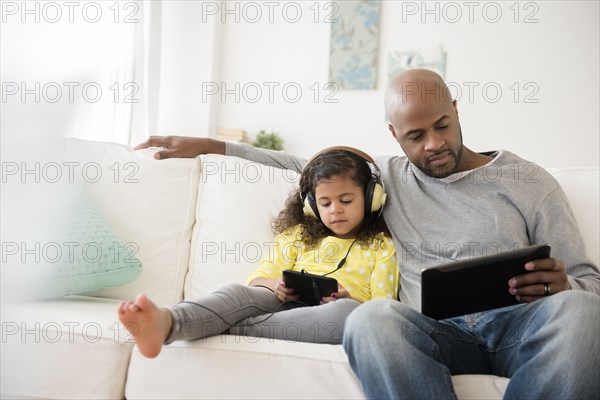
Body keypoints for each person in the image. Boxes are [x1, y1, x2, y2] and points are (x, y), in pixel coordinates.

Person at [135, 69, 599, 399]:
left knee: (581, 311)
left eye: (442, 125)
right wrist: (210, 146)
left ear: (456, 110)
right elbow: (307, 168)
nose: (434, 144)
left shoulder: (529, 182)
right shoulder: (387, 179)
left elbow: (589, 284)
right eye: (415, 136)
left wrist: (566, 284)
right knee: (372, 318)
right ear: (394, 135)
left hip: (517, 329)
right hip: (438, 333)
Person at [118, 147, 398, 358]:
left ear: (371, 198)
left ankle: (217, 326)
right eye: (325, 203)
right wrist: (274, 285)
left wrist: (350, 298)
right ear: (312, 206)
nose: (335, 210)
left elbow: (382, 310)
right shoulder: (299, 237)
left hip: (332, 314)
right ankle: (167, 322)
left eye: (346, 200)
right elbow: (259, 278)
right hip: (281, 302)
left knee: (347, 314)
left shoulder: (382, 246)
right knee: (239, 293)